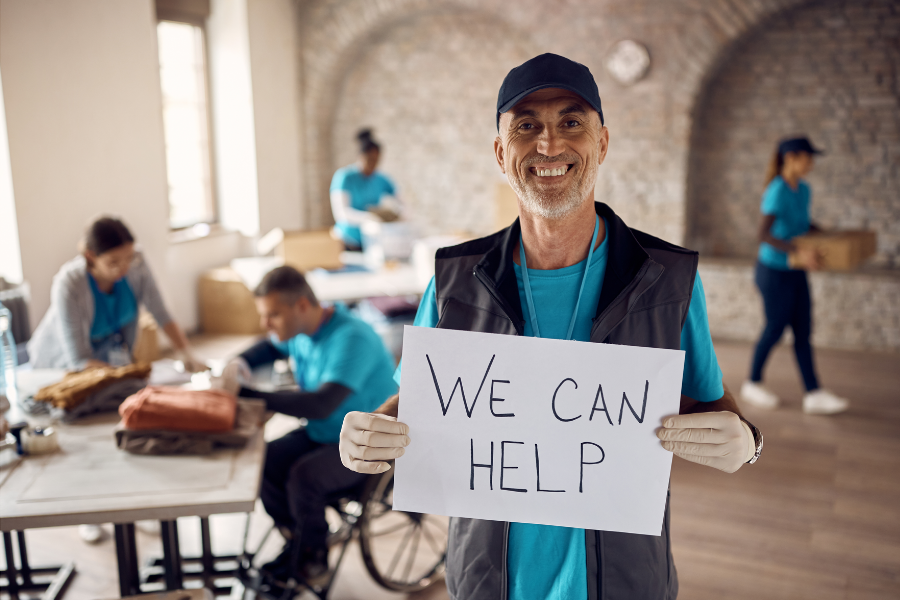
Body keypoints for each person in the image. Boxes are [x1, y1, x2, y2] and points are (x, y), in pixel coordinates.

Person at [338, 53, 763, 600]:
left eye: (571, 122)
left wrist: (746, 442)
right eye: (526, 126)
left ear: (602, 143)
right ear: (500, 152)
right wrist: (366, 433)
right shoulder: (453, 282)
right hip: (488, 577)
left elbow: (711, 403)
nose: (549, 145)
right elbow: (420, 404)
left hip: (624, 580)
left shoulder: (668, 279)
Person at [27, 216, 205, 543]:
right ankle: (90, 512)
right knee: (84, 441)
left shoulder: (135, 267)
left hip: (111, 362)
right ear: (90, 257)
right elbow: (78, 359)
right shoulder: (69, 283)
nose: (123, 268)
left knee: (121, 429)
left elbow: (161, 312)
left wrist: (186, 352)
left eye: (129, 258)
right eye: (113, 262)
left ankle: (129, 507)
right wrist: (126, 378)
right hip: (66, 370)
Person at [217, 266, 397, 585]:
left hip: (369, 447)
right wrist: (238, 363)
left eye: (272, 315)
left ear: (301, 305)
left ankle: (313, 557)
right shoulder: (303, 330)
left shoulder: (351, 337)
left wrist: (247, 394)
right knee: (267, 459)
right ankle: (298, 539)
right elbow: (269, 345)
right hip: (328, 433)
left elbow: (320, 404)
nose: (265, 324)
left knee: (305, 476)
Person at [739, 138, 850, 415]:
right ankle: (752, 383)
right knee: (775, 327)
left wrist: (826, 233)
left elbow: (799, 223)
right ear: (790, 158)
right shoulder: (776, 190)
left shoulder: (803, 190)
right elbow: (763, 235)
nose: (811, 163)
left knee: (803, 331)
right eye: (808, 157)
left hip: (795, 271)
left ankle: (814, 393)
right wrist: (800, 250)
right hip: (773, 272)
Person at [329, 128, 402, 250]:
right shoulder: (344, 177)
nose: (373, 164)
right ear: (361, 156)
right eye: (370, 160)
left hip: (371, 242)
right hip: (347, 242)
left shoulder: (381, 179)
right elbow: (341, 214)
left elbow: (402, 201)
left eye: (377, 160)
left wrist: (400, 216)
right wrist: (369, 218)